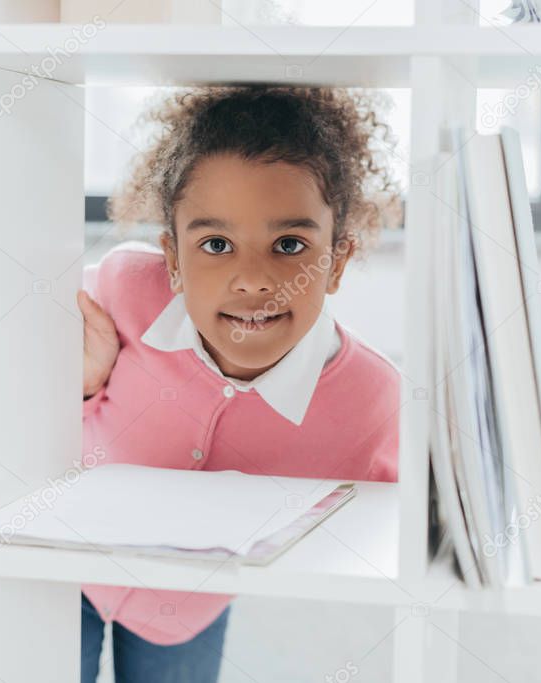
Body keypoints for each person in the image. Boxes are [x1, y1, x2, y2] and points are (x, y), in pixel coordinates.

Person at [76, 85, 403, 683]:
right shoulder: (124, 289)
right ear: (172, 259)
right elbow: (29, 382)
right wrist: (82, 385)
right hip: (62, 570)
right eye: (216, 245)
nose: (252, 280)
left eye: (289, 245)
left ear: (337, 260)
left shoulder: (376, 401)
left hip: (185, 610)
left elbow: (414, 517)